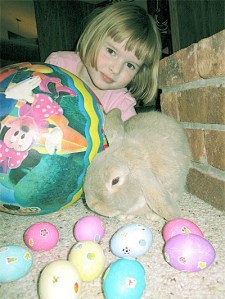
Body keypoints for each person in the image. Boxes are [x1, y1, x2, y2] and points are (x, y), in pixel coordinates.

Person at [45, 3, 161, 121]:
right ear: (94, 36)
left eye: (130, 65)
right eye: (111, 51)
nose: (115, 69)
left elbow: (130, 138)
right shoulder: (56, 65)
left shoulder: (121, 106)